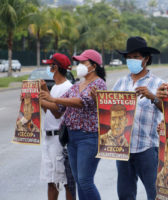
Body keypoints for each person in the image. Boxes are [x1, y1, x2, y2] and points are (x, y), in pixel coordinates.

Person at [40, 49, 107, 200]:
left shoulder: (99, 84)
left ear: (94, 66)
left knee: (85, 180)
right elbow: (59, 108)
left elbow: (80, 102)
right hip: (72, 137)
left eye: (83, 62)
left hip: (88, 137)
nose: (80, 65)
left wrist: (53, 98)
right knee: (78, 181)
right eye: (79, 62)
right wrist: (33, 99)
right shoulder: (77, 85)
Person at [113, 36, 164, 200]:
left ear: (146, 58)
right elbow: (108, 110)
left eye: (136, 57)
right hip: (123, 148)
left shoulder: (158, 83)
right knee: (125, 194)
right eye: (129, 58)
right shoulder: (120, 83)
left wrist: (152, 96)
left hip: (147, 147)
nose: (132, 61)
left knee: (155, 193)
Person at [39, 53, 74, 200]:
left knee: (66, 181)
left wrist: (38, 100)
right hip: (48, 138)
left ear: (56, 67)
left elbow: (58, 112)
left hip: (59, 140)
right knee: (51, 180)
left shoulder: (68, 87)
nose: (48, 68)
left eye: (50, 65)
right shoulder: (54, 88)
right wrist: (42, 94)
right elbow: (49, 111)